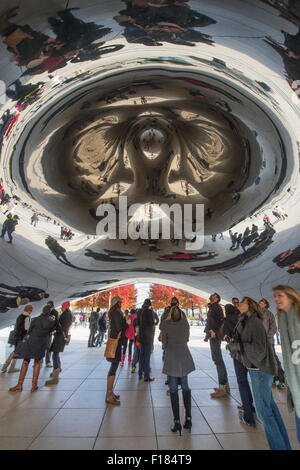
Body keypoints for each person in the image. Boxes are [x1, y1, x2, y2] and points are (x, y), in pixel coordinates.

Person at [228, 296, 291, 450]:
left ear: (249, 306)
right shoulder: (245, 320)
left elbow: (257, 348)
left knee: (264, 414)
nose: (239, 304)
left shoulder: (254, 322)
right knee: (271, 410)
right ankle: (283, 446)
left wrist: (236, 346)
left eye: (242, 302)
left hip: (260, 371)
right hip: (257, 369)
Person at [161, 304, 195, 435]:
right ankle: (188, 419)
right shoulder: (185, 323)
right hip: (184, 356)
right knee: (185, 387)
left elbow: (164, 342)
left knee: (173, 389)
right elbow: (187, 338)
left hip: (172, 358)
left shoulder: (165, 324)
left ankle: (176, 422)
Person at [273, 285, 300, 443]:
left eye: (279, 295)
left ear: (290, 296)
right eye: (275, 296)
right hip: (294, 380)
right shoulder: (284, 317)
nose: (276, 299)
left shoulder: (296, 316)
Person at [9, 306, 56, 392]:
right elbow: (51, 331)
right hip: (41, 344)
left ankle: (19, 384)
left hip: (31, 343)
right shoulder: (51, 322)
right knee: (37, 363)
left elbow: (29, 331)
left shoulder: (35, 319)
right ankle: (34, 385)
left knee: (25, 362)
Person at [224, 302, 257, 427]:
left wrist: (231, 344)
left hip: (239, 355)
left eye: (241, 304)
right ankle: (250, 406)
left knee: (242, 383)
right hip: (251, 356)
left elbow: (227, 337)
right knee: (250, 381)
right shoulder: (249, 319)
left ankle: (248, 416)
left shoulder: (233, 320)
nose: (238, 305)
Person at [204, 293, 229, 398]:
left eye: (214, 296)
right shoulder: (212, 307)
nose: (212, 296)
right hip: (211, 335)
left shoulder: (217, 307)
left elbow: (221, 320)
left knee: (218, 360)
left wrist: (214, 331)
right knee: (217, 359)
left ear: (217, 298)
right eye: (211, 295)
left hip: (214, 336)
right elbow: (210, 322)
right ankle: (225, 385)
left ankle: (222, 387)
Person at [258, 298, 285, 389]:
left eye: (262, 302)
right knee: (264, 361)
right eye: (259, 302)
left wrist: (267, 336)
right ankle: (272, 378)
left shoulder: (269, 314)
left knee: (274, 359)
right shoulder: (255, 314)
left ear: (266, 304)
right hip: (259, 342)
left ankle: (282, 379)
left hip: (268, 341)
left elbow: (273, 327)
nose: (260, 303)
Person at [45, 301, 73, 386]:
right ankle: (57, 370)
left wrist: (57, 324)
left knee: (55, 355)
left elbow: (64, 326)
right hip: (60, 336)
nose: (61, 307)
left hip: (60, 337)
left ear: (65, 307)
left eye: (62, 306)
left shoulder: (66, 315)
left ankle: (55, 375)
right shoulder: (67, 314)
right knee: (55, 354)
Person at [105, 296, 127, 405]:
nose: (121, 303)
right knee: (113, 367)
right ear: (116, 303)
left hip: (114, 340)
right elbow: (119, 327)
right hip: (116, 343)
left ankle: (110, 392)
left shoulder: (113, 313)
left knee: (113, 367)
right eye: (120, 302)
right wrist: (126, 324)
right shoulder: (116, 313)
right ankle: (109, 395)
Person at [1, 304, 33, 374]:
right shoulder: (27, 317)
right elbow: (27, 328)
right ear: (30, 311)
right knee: (15, 352)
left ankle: (10, 367)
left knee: (16, 352)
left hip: (16, 336)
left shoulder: (20, 316)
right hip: (21, 337)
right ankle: (6, 366)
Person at [138, 299, 155, 382]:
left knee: (141, 356)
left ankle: (140, 374)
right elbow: (152, 323)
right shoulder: (149, 312)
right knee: (147, 356)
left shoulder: (139, 311)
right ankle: (146, 376)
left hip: (141, 336)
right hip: (147, 336)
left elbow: (137, 322)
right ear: (149, 304)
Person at [44, 300, 59, 368]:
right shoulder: (45, 313)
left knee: (48, 347)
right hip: (44, 331)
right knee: (43, 346)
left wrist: (53, 330)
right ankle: (40, 360)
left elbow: (56, 322)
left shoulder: (54, 312)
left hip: (48, 332)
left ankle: (47, 361)